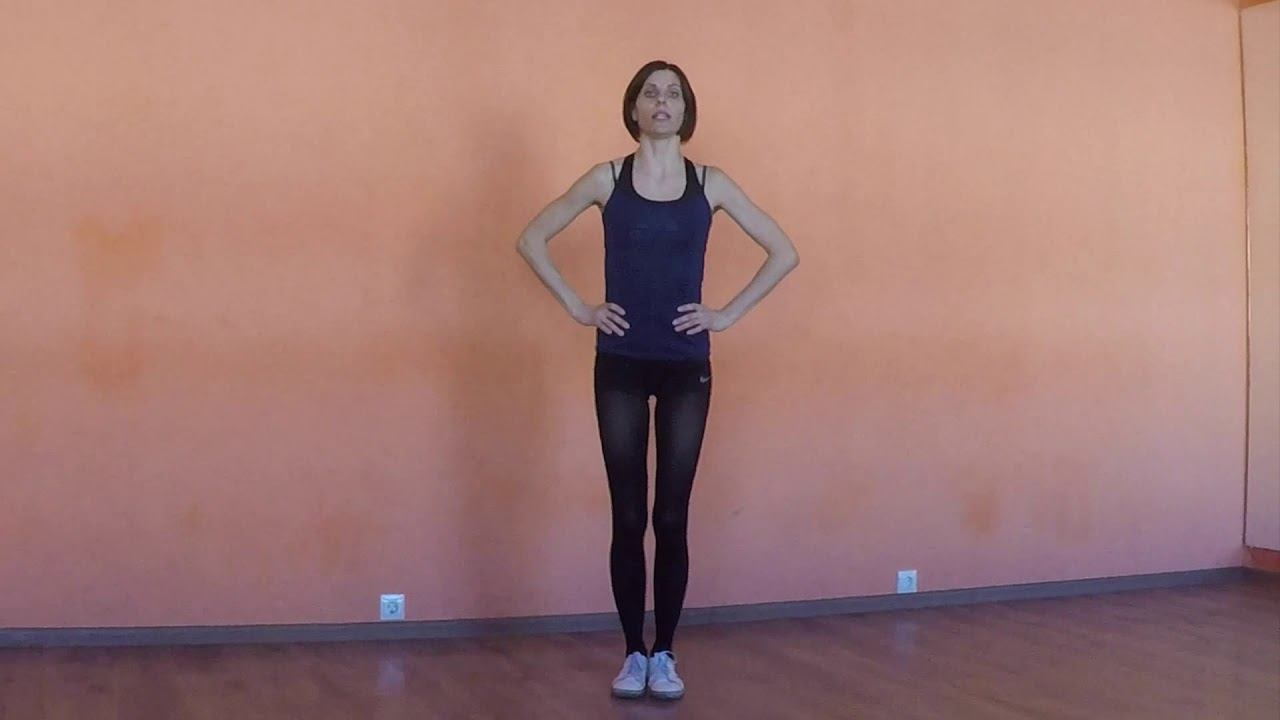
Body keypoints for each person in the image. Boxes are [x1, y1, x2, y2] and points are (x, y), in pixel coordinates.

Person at [515, 59, 799, 700]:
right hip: (619, 362)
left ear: (686, 109)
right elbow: (532, 238)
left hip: (684, 366)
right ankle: (632, 654)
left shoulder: (711, 184)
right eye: (651, 93)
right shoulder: (607, 178)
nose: (662, 102)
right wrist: (578, 306)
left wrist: (725, 314)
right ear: (635, 108)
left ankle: (665, 652)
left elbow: (784, 251)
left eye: (673, 93)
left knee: (670, 516)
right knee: (627, 515)